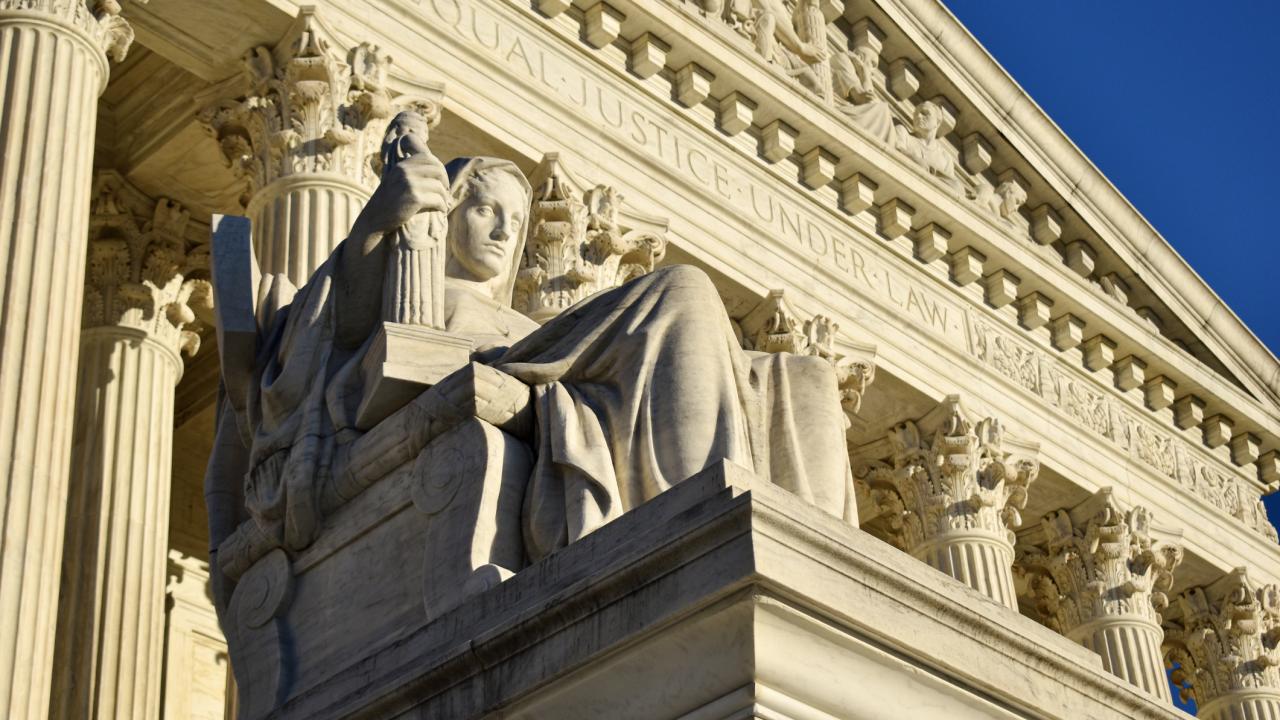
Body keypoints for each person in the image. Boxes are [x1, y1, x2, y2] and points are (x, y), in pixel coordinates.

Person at [211, 139, 855, 572]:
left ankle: (815, 577)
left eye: (513, 222)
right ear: (448, 209)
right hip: (492, 381)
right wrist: (382, 222)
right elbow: (323, 354)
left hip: (554, 379)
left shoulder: (521, 317)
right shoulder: (408, 284)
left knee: (802, 379)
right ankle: (697, 533)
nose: (499, 231)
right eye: (485, 208)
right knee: (681, 292)